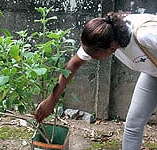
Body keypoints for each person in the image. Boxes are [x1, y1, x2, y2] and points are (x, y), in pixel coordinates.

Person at [34, 12, 157, 150]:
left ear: (111, 47)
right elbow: (73, 65)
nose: (91, 58)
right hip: (152, 74)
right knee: (133, 125)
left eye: (95, 57)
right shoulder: (106, 34)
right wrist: (52, 99)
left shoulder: (145, 34)